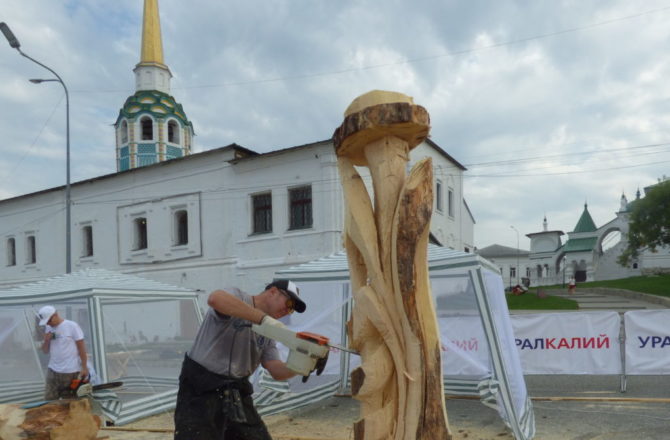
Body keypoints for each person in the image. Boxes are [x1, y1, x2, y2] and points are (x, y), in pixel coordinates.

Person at [174, 279, 322, 440]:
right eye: (289, 303)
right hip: (201, 387)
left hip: (237, 391)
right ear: (273, 292)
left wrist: (300, 365)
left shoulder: (269, 332)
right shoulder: (237, 296)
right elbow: (215, 299)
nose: (288, 310)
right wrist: (262, 319)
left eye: (292, 309)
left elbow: (275, 370)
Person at [38, 305, 89, 400]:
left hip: (70, 371)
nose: (48, 324)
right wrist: (46, 340)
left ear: (56, 315)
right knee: (49, 401)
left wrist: (84, 367)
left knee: (69, 402)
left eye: (49, 320)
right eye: (46, 322)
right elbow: (45, 351)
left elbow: (81, 348)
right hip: (52, 370)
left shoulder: (72, 326)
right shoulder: (48, 328)